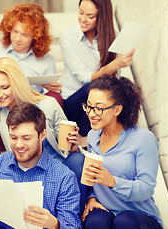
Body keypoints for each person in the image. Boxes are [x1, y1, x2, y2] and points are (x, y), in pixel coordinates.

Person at [0, 102, 81, 229]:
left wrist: (54, 225)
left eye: (26, 138)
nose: (18, 145)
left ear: (42, 135)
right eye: (13, 137)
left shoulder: (64, 177)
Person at [73, 75, 163, 229]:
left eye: (98, 108)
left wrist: (112, 181)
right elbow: (93, 178)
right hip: (106, 211)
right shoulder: (93, 136)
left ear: (117, 109)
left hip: (140, 217)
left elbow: (146, 188)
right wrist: (92, 198)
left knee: (123, 222)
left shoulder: (144, 139)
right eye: (88, 106)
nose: (91, 114)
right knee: (95, 221)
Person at [60, 0, 135, 139]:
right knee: (94, 88)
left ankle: (92, 141)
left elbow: (114, 80)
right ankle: (86, 140)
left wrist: (121, 61)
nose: (83, 19)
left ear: (102, 17)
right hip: (73, 102)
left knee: (116, 92)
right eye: (81, 13)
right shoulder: (68, 38)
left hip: (96, 105)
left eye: (90, 16)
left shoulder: (112, 37)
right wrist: (114, 64)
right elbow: (85, 77)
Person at [0, 57, 71, 166]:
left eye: (5, 87)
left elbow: (68, 148)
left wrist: (72, 145)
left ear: (17, 83)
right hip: (23, 173)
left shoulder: (48, 104)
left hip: (55, 169)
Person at [0, 3, 63, 107]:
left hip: (33, 112)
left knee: (56, 98)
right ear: (9, 29)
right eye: (15, 31)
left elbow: (47, 101)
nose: (18, 38)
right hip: (1, 110)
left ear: (35, 37)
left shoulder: (47, 61)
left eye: (25, 34)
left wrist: (56, 91)